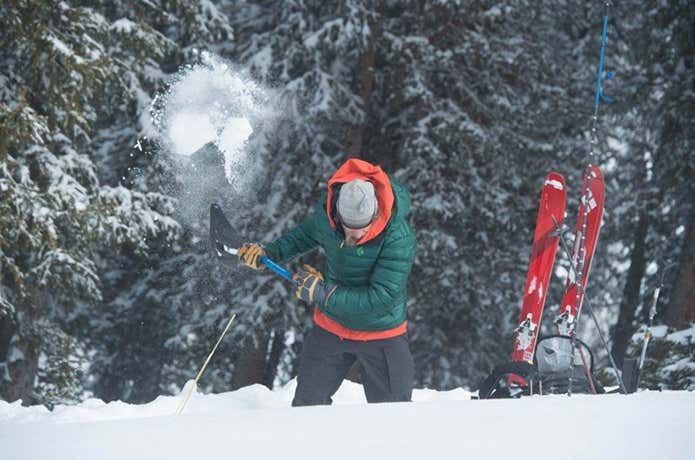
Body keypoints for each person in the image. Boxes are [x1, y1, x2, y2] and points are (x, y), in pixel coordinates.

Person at [237, 158, 417, 406]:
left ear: (375, 214)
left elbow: (381, 299)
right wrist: (269, 253)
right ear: (337, 213)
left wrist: (324, 294)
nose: (352, 236)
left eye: (361, 229)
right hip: (331, 328)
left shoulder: (398, 237)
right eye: (347, 227)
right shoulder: (328, 213)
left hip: (382, 332)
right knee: (307, 408)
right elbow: (304, 236)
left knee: (393, 413)